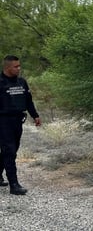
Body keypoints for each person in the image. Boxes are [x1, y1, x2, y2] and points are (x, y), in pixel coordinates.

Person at [0, 55, 41, 195]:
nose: (19, 68)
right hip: (3, 121)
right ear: (7, 67)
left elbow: (28, 100)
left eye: (19, 66)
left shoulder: (22, 82)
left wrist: (35, 115)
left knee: (11, 150)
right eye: (15, 66)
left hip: (18, 121)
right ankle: (14, 185)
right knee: (9, 151)